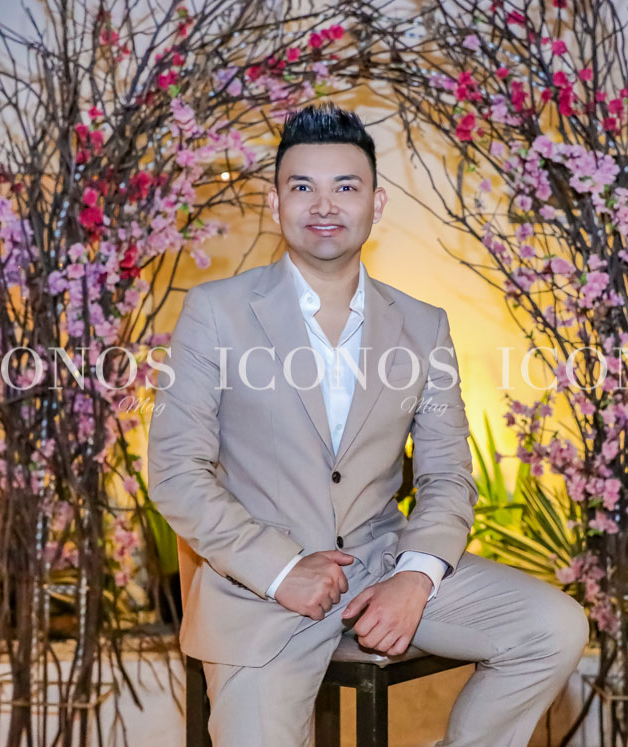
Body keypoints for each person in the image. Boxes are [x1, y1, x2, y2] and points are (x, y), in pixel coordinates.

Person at [147, 102, 589, 747]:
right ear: (275, 204)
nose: (324, 205)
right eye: (303, 187)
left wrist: (416, 574)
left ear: (376, 204)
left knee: (553, 628)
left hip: (382, 566)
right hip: (260, 592)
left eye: (346, 187)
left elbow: (447, 475)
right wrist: (280, 569)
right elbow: (176, 473)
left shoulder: (423, 325)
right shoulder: (216, 312)